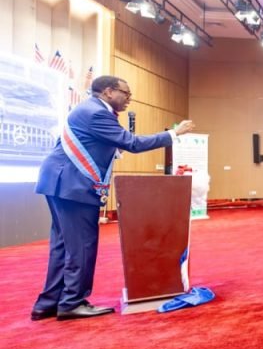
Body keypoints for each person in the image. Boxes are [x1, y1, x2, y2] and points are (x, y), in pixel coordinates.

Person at [32, 75, 195, 321]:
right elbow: (132, 143)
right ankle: (72, 302)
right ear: (108, 91)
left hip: (61, 182)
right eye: (126, 94)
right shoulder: (97, 113)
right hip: (73, 186)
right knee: (81, 247)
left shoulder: (88, 110)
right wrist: (174, 134)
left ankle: (49, 303)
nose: (129, 99)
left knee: (63, 246)